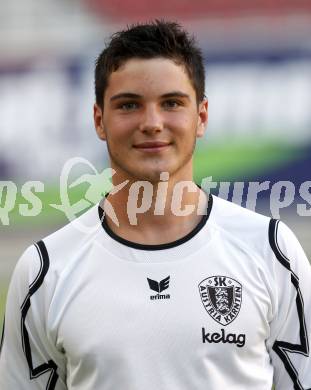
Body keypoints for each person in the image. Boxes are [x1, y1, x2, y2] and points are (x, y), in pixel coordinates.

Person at [0, 20, 310, 390]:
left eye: (172, 103)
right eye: (129, 105)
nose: (152, 123)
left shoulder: (271, 251)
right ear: (99, 120)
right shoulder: (45, 272)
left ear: (202, 117)